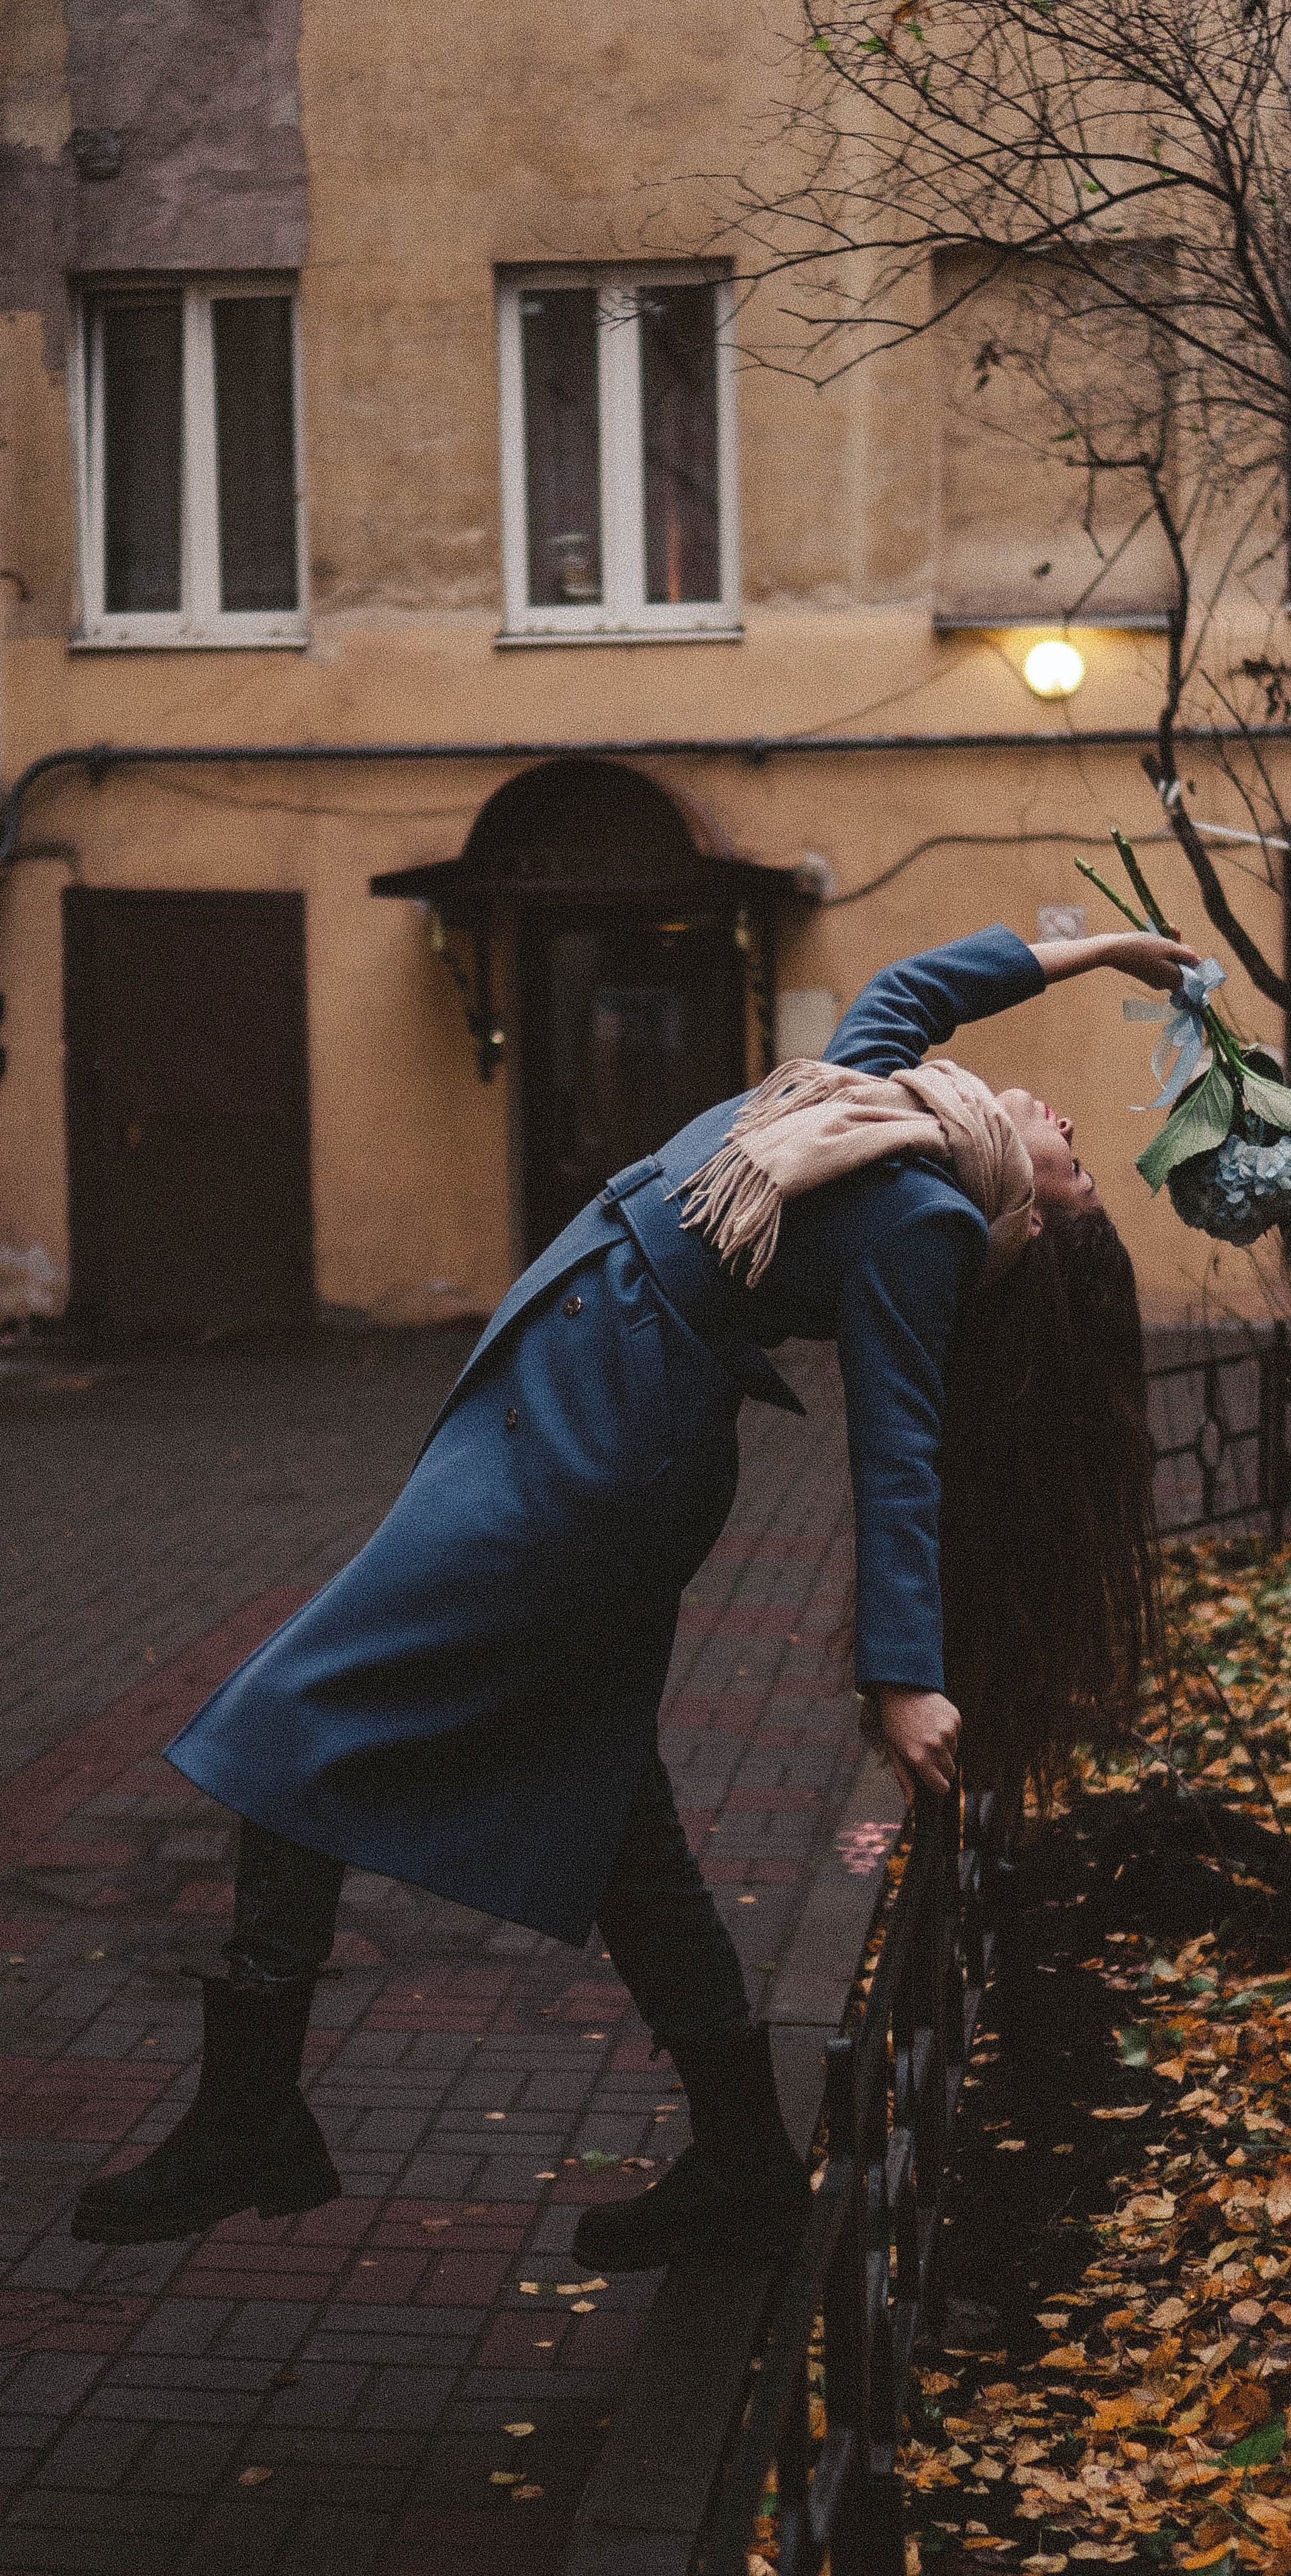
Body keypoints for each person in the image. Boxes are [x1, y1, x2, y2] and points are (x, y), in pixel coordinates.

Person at [69, 918, 1195, 2265]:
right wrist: (1101, 947)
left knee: (286, 1713)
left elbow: (896, 1445)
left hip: (593, 1458)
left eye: (1079, 1171)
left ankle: (250, 2109)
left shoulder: (928, 1224)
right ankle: (741, 2158)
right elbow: (911, 985)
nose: (1068, 1124)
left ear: (1033, 1223)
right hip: (583, 1411)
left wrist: (901, 1676)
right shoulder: (880, 1110)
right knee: (611, 1815)